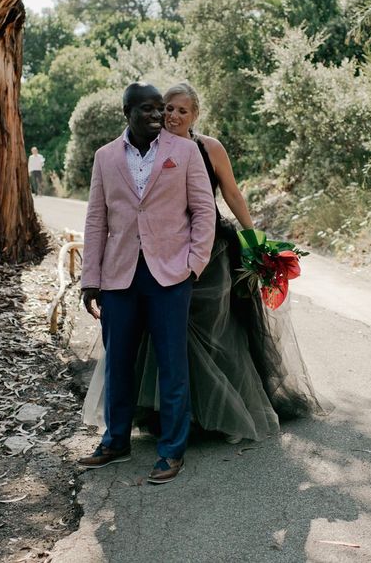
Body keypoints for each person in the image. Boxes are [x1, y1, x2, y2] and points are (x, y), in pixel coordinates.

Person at [83, 81, 323, 443]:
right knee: (154, 344)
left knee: (214, 337)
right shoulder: (145, 147)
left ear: (195, 115)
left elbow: (230, 194)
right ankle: (162, 416)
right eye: (169, 109)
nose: (173, 116)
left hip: (208, 255)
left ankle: (225, 412)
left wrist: (253, 239)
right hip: (153, 261)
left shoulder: (207, 148)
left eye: (182, 110)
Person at [77, 82, 216, 484]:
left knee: (173, 365)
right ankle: (115, 441)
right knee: (118, 362)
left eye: (163, 110)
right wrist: (91, 278)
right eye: (149, 110)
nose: (159, 117)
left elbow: (203, 211)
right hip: (118, 275)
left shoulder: (184, 152)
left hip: (171, 274)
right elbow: (96, 219)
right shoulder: (105, 157)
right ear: (127, 112)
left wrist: (194, 264)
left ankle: (172, 450)